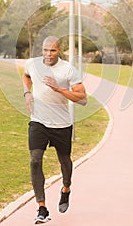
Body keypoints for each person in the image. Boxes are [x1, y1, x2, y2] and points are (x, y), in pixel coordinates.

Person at [22, 36, 87, 224]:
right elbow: (26, 76)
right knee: (35, 161)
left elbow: (82, 98)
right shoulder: (32, 64)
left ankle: (66, 188)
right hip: (38, 122)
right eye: (45, 50)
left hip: (61, 124)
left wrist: (59, 89)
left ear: (60, 50)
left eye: (52, 50)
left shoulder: (68, 69)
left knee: (65, 162)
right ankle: (42, 208)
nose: (48, 54)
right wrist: (27, 93)